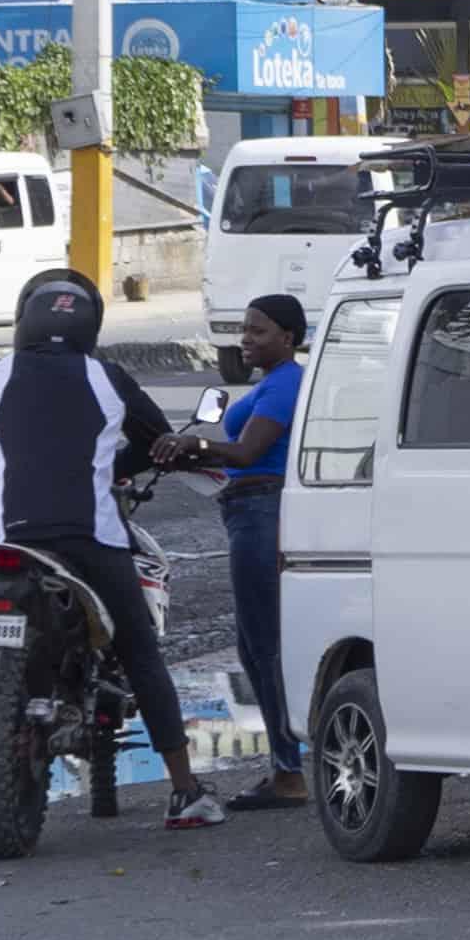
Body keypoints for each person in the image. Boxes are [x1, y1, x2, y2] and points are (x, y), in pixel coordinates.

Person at [0, 266, 215, 842]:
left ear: (22, 322)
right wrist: (111, 468)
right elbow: (159, 445)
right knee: (138, 649)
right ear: (91, 327)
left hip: (4, 542)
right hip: (90, 541)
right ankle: (184, 790)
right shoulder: (106, 377)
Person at [185, 293, 312, 808]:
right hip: (249, 512)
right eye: (244, 329)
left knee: (266, 646)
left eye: (258, 331)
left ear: (288, 337)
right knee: (253, 644)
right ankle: (286, 765)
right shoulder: (269, 383)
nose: (246, 339)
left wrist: (197, 448)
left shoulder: (285, 385)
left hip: (262, 513)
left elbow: (246, 452)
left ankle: (290, 772)